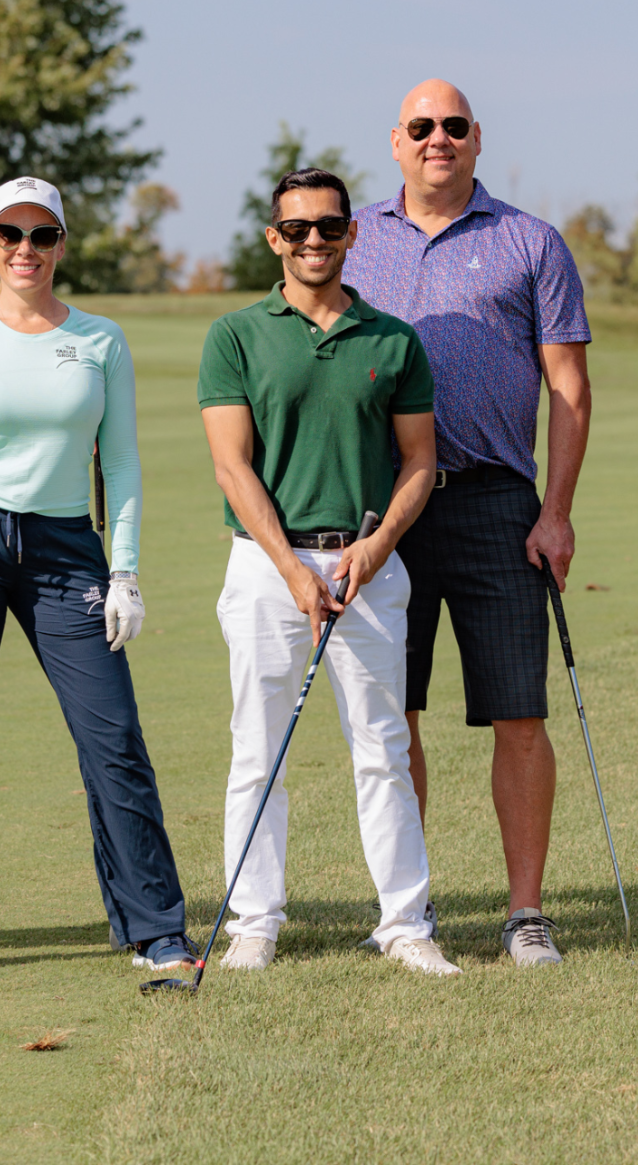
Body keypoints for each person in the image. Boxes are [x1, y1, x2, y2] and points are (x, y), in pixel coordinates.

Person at [0, 177, 195, 979]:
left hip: (67, 552)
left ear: (62, 244)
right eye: (8, 234)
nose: (24, 250)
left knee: (114, 737)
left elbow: (122, 462)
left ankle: (155, 926)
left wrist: (124, 569)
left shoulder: (101, 340)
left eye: (42, 235)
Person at [342, 78, 594, 967]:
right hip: (384, 514)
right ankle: (408, 912)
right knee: (391, 718)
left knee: (519, 715)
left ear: (477, 139)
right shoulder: (354, 239)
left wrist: (556, 512)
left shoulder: (531, 242)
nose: (437, 139)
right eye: (422, 127)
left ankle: (526, 912)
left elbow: (568, 387)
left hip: (497, 503)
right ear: (397, 142)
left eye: (453, 126)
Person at [197, 167, 457, 975]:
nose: (314, 240)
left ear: (352, 235)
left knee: (382, 745)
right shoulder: (236, 336)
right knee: (257, 749)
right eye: (298, 228)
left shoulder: (392, 339)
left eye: (330, 227)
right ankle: (255, 921)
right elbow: (233, 469)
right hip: (264, 567)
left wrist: (374, 554)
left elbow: (420, 463)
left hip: (367, 564)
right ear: (275, 238)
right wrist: (293, 569)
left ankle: (404, 923)